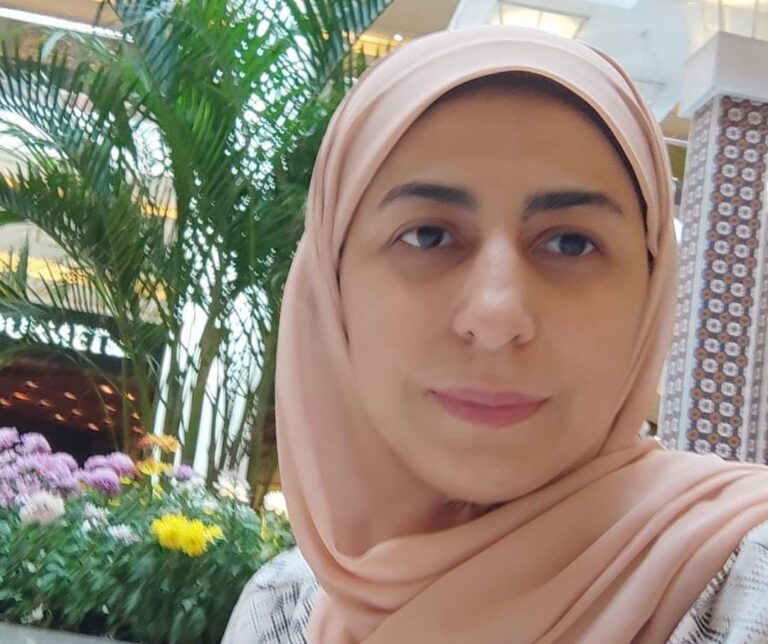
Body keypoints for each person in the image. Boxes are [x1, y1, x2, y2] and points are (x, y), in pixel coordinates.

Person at [223, 25, 768, 644]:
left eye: (572, 243)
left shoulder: (742, 588)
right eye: (428, 235)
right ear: (332, 284)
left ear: (650, 294)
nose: (497, 317)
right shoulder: (281, 607)